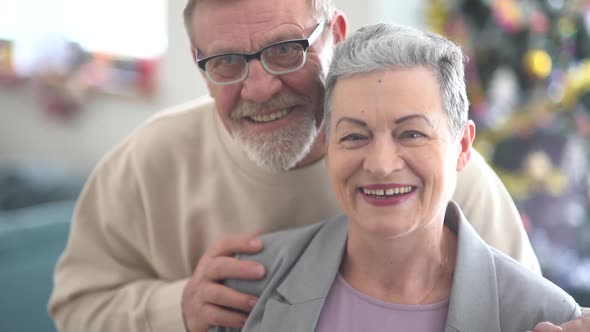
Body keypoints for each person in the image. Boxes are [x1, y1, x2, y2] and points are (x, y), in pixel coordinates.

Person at [47, 0, 589, 331]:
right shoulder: (148, 163)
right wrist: (176, 311)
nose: (259, 87)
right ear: (199, 66)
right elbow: (72, 310)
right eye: (227, 63)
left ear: (335, 35)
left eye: (285, 49)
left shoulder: (450, 182)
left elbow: (525, 310)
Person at [210, 23, 581, 332]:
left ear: (463, 146)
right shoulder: (246, 287)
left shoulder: (543, 314)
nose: (381, 165)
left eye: (412, 134)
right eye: (355, 136)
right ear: (328, 148)